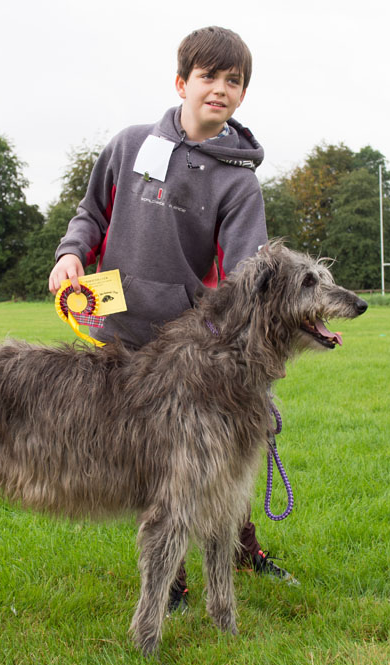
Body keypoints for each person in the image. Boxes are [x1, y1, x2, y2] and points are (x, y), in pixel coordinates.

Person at [48, 25, 297, 612]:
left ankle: (242, 548)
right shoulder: (131, 144)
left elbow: (243, 276)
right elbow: (90, 212)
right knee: (154, 460)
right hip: (119, 331)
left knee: (216, 456)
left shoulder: (239, 182)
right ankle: (173, 577)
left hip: (191, 351)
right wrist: (69, 253)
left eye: (232, 81)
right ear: (182, 82)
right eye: (208, 77)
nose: (220, 89)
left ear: (242, 95)